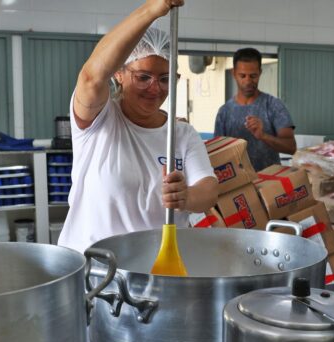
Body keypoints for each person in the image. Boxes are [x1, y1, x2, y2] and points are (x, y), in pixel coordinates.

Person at [57, 0, 219, 254]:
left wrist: (186, 196)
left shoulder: (182, 135)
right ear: (119, 74)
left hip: (156, 272)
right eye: (143, 77)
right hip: (95, 273)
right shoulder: (99, 120)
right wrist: (154, 8)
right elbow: (90, 77)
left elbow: (209, 190)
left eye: (165, 79)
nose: (155, 89)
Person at [214, 48, 296, 171]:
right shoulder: (224, 112)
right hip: (236, 185)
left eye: (253, 76)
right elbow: (217, 155)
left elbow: (291, 147)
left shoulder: (274, 105)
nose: (248, 81)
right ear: (234, 73)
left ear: (260, 73)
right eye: (242, 76)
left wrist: (263, 136)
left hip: (270, 184)